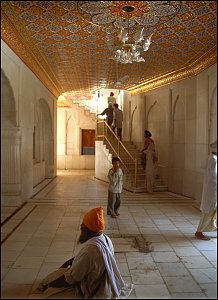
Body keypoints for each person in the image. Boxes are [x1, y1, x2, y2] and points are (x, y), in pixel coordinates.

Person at [32, 207, 133, 299]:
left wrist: (51, 285)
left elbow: (71, 278)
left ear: (90, 229)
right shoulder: (105, 239)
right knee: (51, 277)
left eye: (84, 225)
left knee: (49, 293)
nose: (81, 226)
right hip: (101, 282)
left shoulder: (90, 251)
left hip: (92, 289)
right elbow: (93, 259)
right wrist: (70, 261)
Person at [195, 141, 217, 240]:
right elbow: (214, 176)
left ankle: (212, 229)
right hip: (213, 191)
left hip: (212, 190)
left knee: (212, 211)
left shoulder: (210, 157)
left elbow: (202, 166)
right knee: (208, 212)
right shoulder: (214, 159)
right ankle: (199, 232)